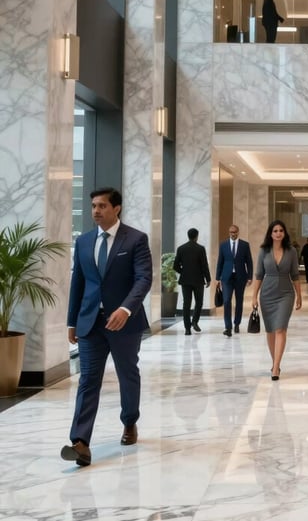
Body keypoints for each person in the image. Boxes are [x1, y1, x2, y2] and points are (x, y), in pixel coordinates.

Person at [61, 187, 152, 467]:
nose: (96, 211)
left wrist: (126, 309)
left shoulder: (135, 239)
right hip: (91, 322)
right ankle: (80, 442)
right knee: (88, 379)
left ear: (117, 209)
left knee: (127, 374)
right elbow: (79, 282)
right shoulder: (85, 241)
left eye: (102, 206)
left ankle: (129, 422)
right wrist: (72, 320)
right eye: (93, 206)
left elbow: (143, 279)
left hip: (124, 323)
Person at [251, 220, 302, 380]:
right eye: (275, 231)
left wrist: (299, 295)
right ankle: (275, 364)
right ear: (270, 234)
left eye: (281, 230)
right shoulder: (263, 251)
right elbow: (259, 275)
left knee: (280, 328)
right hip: (267, 293)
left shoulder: (291, 251)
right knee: (271, 330)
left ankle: (275, 367)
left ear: (285, 233)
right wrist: (254, 296)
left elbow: (295, 274)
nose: (278, 233)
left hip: (286, 293)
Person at [215, 224, 254, 336]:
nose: (233, 234)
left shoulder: (244, 245)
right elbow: (220, 262)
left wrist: (250, 277)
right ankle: (228, 327)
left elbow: (249, 262)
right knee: (226, 301)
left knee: (239, 301)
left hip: (240, 277)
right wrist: (218, 278)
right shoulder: (223, 245)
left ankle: (237, 323)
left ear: (238, 232)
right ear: (229, 232)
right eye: (231, 232)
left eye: (235, 232)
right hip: (226, 277)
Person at [173, 227, 212, 335]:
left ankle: (187, 329)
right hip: (198, 280)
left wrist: (183, 272)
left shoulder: (181, 248)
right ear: (196, 236)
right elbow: (204, 265)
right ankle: (194, 321)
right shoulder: (200, 249)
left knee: (186, 304)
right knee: (199, 302)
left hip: (185, 281)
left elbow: (175, 266)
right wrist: (208, 279)